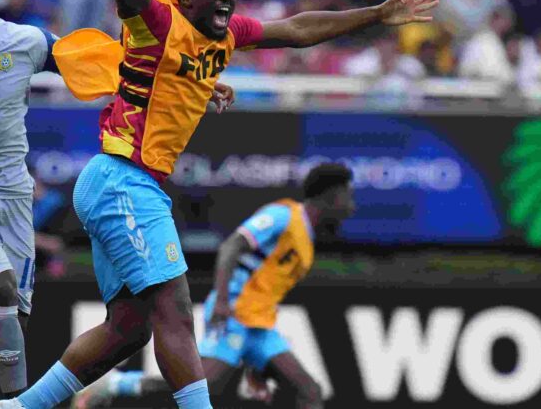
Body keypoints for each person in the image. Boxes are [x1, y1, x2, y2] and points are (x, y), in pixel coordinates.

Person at [0, 0, 437, 408]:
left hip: (122, 183)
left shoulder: (225, 33)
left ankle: (20, 407)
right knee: (175, 310)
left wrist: (377, 13)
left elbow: (297, 29)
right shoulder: (157, 20)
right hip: (123, 181)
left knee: (127, 330)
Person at [0, 0, 235, 399]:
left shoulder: (25, 40)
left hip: (13, 186)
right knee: (1, 290)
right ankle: (14, 405)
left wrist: (186, 77)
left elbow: (96, 61)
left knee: (11, 317)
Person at [73, 163, 356, 409]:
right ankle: (116, 384)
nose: (351, 205)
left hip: (259, 325)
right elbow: (232, 246)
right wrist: (221, 301)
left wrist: (258, 362)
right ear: (331, 195)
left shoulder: (307, 238)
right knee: (201, 387)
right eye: (348, 195)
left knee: (309, 390)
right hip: (233, 314)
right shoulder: (284, 216)